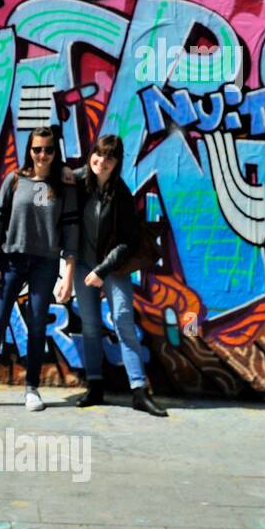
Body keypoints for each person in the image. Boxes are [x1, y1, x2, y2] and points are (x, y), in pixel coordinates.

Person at [0, 127, 79, 412]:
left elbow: (70, 228)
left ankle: (32, 388)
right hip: (11, 261)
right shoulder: (15, 180)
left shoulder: (64, 184)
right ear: (29, 150)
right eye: (37, 149)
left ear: (56, 151)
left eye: (49, 149)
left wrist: (68, 272)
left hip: (45, 263)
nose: (43, 154)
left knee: (38, 325)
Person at [72, 134, 167, 417]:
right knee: (89, 325)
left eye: (110, 158)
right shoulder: (76, 182)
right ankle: (95, 386)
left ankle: (139, 391)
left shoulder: (122, 194)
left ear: (117, 162)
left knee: (124, 321)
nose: (102, 161)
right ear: (92, 155)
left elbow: (127, 241)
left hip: (112, 267)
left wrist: (102, 271)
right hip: (81, 265)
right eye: (98, 155)